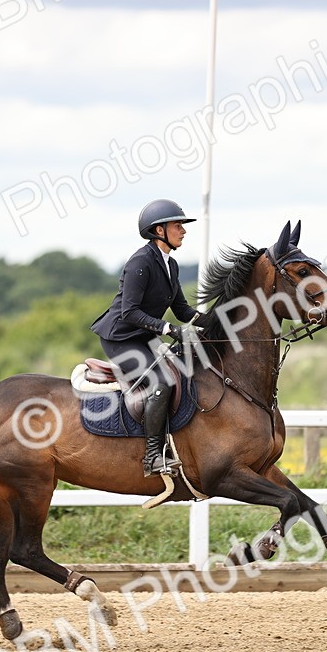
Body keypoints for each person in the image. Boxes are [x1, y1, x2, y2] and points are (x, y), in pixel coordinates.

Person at [91, 199, 201, 476]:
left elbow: (183, 310)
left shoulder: (170, 265)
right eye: (178, 226)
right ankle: (152, 457)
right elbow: (129, 312)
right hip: (122, 338)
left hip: (143, 335)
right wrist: (168, 329)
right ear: (159, 230)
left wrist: (221, 319)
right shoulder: (141, 262)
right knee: (162, 382)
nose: (183, 231)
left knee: (185, 369)